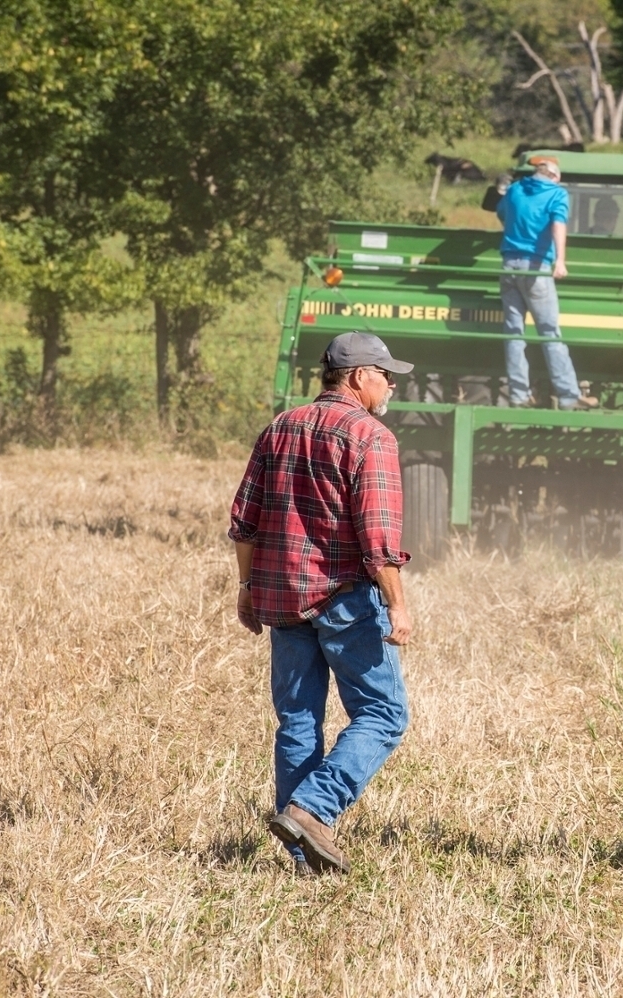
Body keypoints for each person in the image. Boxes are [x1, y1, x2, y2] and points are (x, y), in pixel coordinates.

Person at [229, 331, 416, 876]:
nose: (391, 383)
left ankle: (301, 859)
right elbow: (378, 538)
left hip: (283, 598)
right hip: (345, 599)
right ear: (359, 376)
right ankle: (314, 809)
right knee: (383, 714)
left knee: (297, 722)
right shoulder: (371, 436)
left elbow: (245, 521)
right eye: (385, 373)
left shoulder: (279, 427)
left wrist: (246, 589)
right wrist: (398, 605)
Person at [496, 158, 598, 410]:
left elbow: (502, 214)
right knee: (550, 332)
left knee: (514, 334)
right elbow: (558, 226)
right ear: (553, 176)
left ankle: (519, 395)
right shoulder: (556, 193)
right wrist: (560, 261)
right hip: (536, 268)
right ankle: (568, 395)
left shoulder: (515, 189)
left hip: (508, 265)